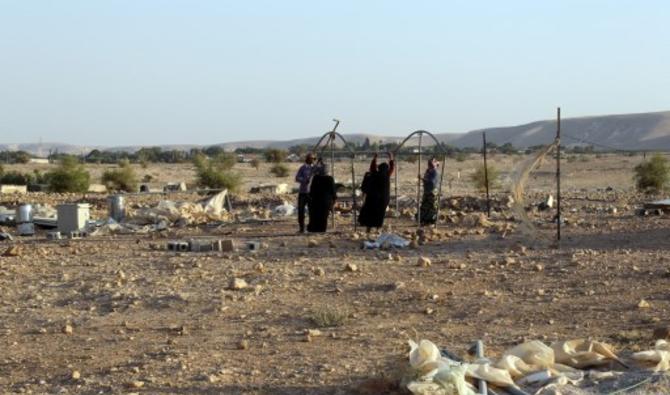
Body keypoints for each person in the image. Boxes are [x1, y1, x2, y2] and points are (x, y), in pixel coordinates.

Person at [358, 152, 395, 232]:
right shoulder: (387, 175)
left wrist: (375, 158)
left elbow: (372, 167)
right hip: (383, 199)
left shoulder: (375, 173)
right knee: (380, 214)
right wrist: (391, 158)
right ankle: (378, 229)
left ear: (379, 168)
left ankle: (369, 228)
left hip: (373, 198)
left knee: (370, 213)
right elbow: (392, 168)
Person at [307, 160, 336, 232]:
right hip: (326, 201)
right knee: (323, 216)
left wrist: (311, 197)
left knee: (316, 215)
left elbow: (312, 189)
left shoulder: (316, 178)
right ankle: (322, 229)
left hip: (316, 200)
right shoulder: (330, 178)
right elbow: (333, 191)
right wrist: (334, 199)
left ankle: (314, 229)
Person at [295, 153, 314, 233]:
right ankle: (301, 228)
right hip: (303, 192)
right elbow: (297, 178)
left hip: (312, 193)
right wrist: (304, 180)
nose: (313, 160)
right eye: (311, 158)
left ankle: (311, 227)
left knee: (312, 211)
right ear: (307, 159)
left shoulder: (315, 168)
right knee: (301, 211)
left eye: (313, 158)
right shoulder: (303, 168)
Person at [419, 157, 440, 226]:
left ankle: (432, 221)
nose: (430, 163)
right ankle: (424, 220)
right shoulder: (428, 171)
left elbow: (432, 182)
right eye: (430, 162)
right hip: (427, 191)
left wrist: (423, 179)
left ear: (436, 163)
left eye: (433, 161)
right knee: (425, 206)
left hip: (432, 192)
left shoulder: (435, 172)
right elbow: (426, 179)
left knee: (433, 206)